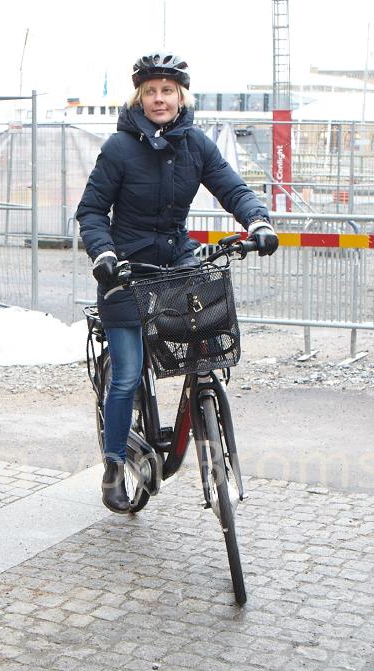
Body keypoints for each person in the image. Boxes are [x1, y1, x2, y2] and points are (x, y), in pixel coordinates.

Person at [76, 52, 278, 513]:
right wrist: (104, 255)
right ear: (140, 97)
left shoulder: (196, 145)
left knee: (203, 349)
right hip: (126, 273)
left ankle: (199, 411)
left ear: (181, 96)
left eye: (168, 90)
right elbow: (90, 211)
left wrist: (258, 222)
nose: (159, 98)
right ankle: (113, 465)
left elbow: (233, 188)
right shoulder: (119, 148)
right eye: (151, 91)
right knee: (126, 376)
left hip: (177, 267)